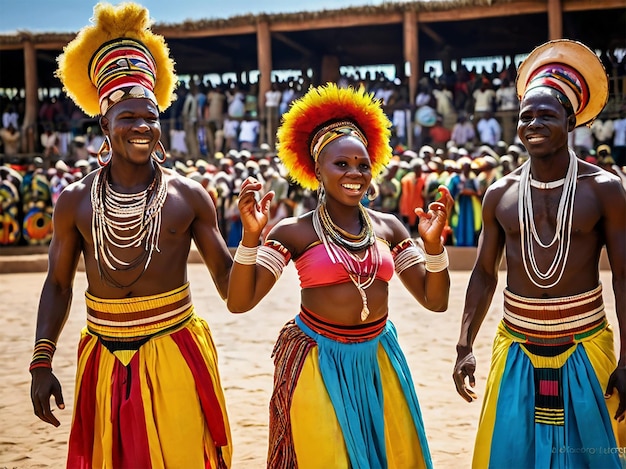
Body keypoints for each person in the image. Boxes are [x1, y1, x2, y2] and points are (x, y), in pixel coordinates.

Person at [28, 4, 233, 468]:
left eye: (151, 116)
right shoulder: (75, 201)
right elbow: (58, 284)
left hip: (176, 348)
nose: (142, 126)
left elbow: (229, 285)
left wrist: (258, 241)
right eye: (128, 117)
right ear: (104, 124)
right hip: (101, 355)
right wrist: (42, 361)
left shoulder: (190, 196)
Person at [226, 83, 454, 468]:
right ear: (317, 169)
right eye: (341, 164)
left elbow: (436, 301)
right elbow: (239, 302)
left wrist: (433, 249)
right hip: (317, 360)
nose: (355, 173)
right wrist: (250, 238)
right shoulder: (293, 232)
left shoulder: (390, 228)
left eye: (363, 165)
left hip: (379, 358)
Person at [452, 39, 626, 468]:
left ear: (571, 122)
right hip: (516, 345)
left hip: (587, 345)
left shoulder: (604, 190)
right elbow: (484, 274)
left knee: (595, 458)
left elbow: (624, 276)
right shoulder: (500, 193)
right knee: (512, 456)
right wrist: (464, 344)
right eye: (525, 116)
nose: (532, 123)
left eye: (545, 115)